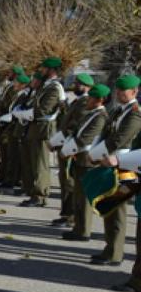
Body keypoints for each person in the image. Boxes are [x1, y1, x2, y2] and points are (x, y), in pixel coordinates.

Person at [89, 75, 141, 266]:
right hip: (110, 161)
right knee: (108, 205)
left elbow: (119, 139)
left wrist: (97, 154)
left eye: (123, 91)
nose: (118, 93)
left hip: (124, 164)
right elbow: (107, 134)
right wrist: (96, 153)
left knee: (117, 208)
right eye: (117, 90)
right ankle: (109, 248)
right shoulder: (120, 110)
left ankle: (115, 253)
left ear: (134, 92)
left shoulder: (135, 113)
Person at [61, 84, 109, 242]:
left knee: (85, 199)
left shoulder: (101, 117)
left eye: (91, 98)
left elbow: (85, 139)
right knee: (78, 197)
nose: (88, 100)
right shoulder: (92, 114)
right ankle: (78, 228)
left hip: (88, 160)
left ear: (100, 100)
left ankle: (84, 231)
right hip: (80, 158)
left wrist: (67, 150)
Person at [20, 58, 64, 207]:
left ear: (51, 70)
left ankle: (40, 195)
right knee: (34, 163)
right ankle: (35, 192)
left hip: (44, 128)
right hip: (36, 127)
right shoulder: (46, 86)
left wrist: (25, 114)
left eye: (44, 69)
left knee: (41, 164)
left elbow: (44, 109)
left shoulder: (54, 87)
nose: (41, 71)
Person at [51, 72, 94, 226]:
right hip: (66, 145)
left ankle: (71, 216)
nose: (75, 86)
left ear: (87, 87)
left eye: (78, 84)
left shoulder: (85, 103)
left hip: (72, 148)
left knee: (69, 183)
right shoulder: (78, 101)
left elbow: (75, 126)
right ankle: (66, 213)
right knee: (65, 181)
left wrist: (58, 141)